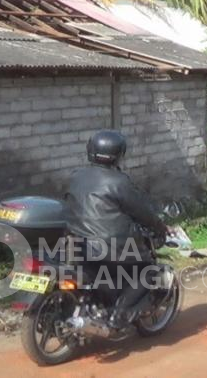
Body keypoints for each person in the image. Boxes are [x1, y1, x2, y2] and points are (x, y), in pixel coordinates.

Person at [64, 129, 168, 329]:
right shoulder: (120, 182)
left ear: (90, 150)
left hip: (77, 245)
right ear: (120, 154)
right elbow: (142, 212)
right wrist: (159, 228)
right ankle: (118, 316)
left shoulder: (76, 176)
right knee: (149, 271)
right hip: (112, 249)